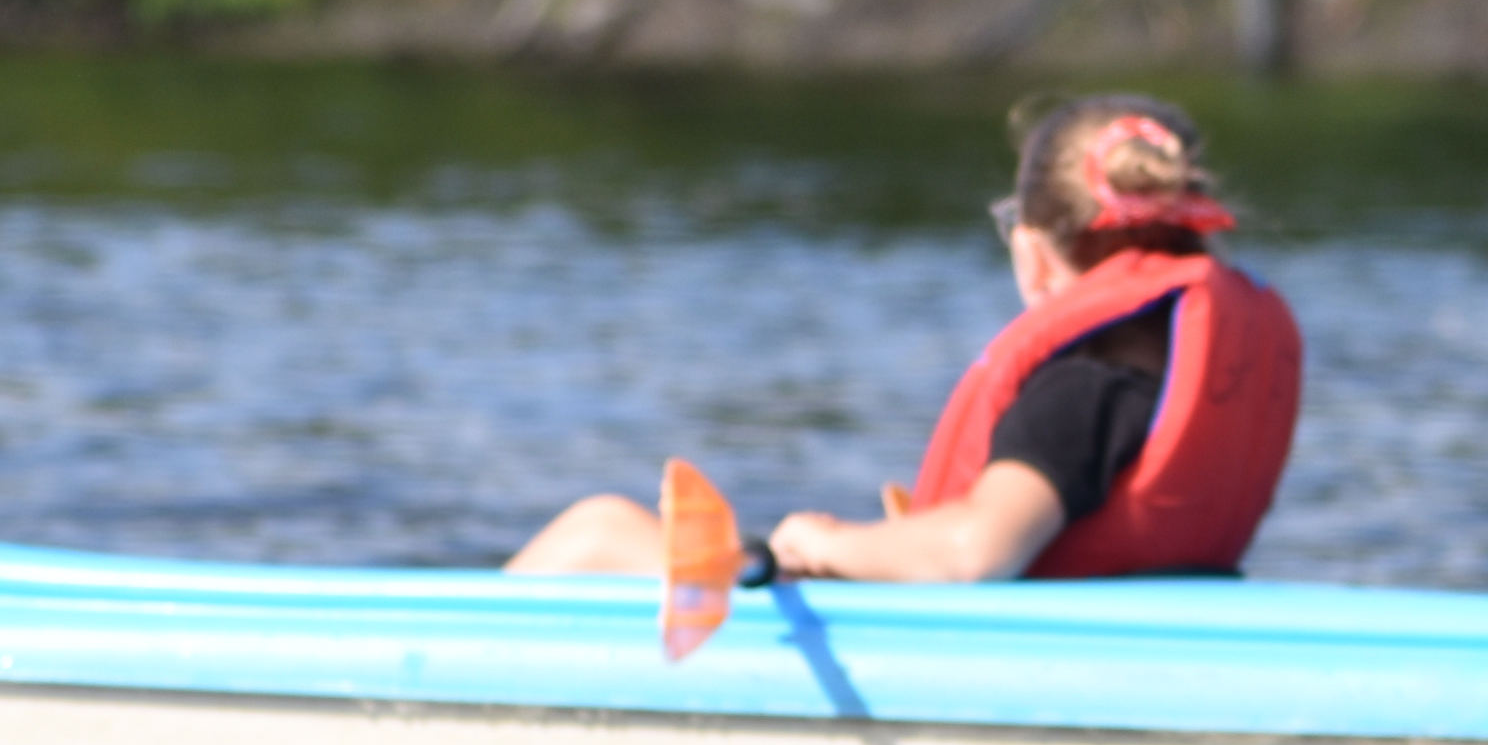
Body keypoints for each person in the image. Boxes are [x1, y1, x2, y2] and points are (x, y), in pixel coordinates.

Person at [503, 93, 1306, 585]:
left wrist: (826, 541)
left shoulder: (1085, 389)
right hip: (1111, 626)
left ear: (1032, 249)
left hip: (981, 653)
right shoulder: (1168, 372)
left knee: (599, 530)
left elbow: (976, 551)